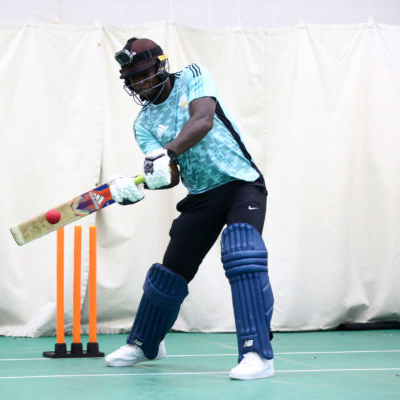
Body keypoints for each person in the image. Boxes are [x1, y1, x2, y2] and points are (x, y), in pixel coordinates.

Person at [106, 37, 275, 380]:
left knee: (242, 251)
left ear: (160, 66)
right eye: (132, 79)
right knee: (171, 272)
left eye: (143, 73)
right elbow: (167, 176)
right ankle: (145, 342)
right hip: (201, 196)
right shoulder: (143, 123)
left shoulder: (193, 76)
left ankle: (258, 354)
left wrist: (165, 151)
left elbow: (203, 120)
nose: (140, 83)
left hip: (241, 182)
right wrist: (137, 187)